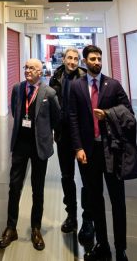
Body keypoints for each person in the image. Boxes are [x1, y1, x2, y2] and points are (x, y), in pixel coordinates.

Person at [68, 44, 131, 261]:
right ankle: (102, 245)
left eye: (99, 59)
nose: (97, 62)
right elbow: (72, 118)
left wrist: (108, 113)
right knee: (95, 199)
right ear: (85, 61)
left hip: (111, 150)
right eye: (93, 59)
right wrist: (78, 147)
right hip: (89, 151)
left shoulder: (112, 85)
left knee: (117, 200)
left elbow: (128, 111)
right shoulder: (76, 86)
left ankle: (121, 248)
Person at [0, 58, 60, 251]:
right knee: (14, 186)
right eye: (26, 67)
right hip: (20, 144)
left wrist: (44, 133)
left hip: (39, 146)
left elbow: (56, 118)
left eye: (32, 68)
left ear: (40, 72)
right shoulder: (18, 88)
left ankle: (36, 229)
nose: (27, 70)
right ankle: (11, 228)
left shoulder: (49, 93)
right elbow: (14, 111)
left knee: (37, 189)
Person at [48, 46, 87, 235]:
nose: (72, 62)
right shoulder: (55, 78)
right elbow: (51, 106)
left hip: (82, 136)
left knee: (87, 179)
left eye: (75, 59)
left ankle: (88, 219)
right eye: (69, 58)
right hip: (63, 135)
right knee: (66, 177)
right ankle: (71, 215)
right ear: (63, 59)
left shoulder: (85, 77)